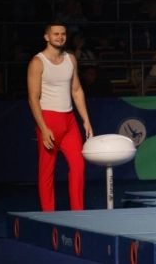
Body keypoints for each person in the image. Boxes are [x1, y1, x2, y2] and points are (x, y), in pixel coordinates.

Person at [27, 21, 93, 212]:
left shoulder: (70, 59)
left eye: (63, 34)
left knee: (78, 166)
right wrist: (43, 128)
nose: (60, 37)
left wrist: (86, 120)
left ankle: (78, 213)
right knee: (47, 171)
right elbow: (33, 98)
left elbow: (77, 90)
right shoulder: (37, 62)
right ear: (47, 37)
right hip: (48, 119)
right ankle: (49, 215)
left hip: (69, 120)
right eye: (56, 34)